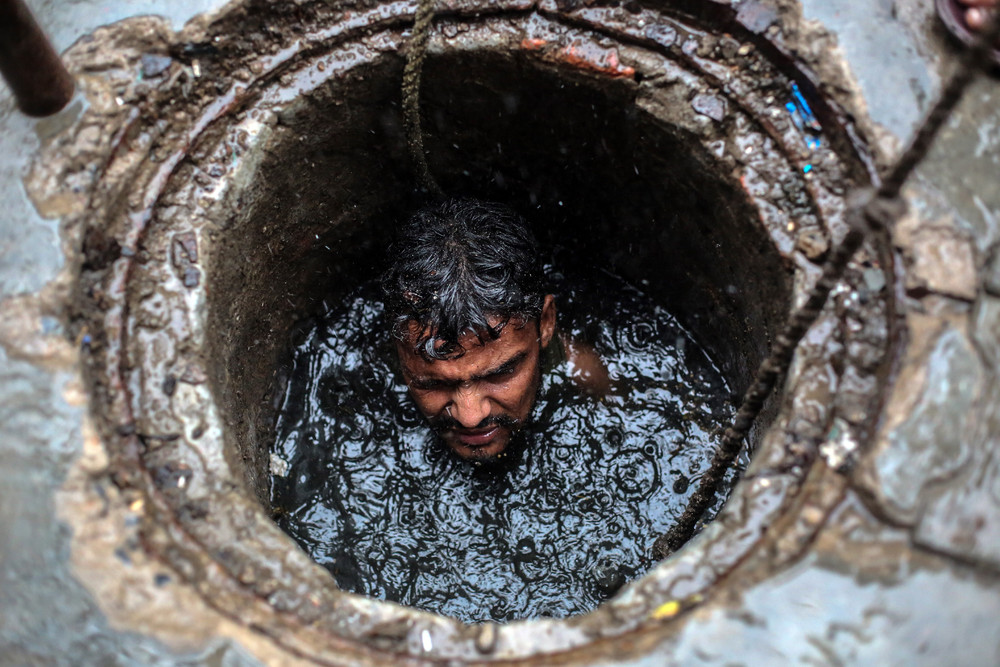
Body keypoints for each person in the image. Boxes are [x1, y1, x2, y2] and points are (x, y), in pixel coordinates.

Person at [382, 198, 610, 464]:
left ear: (546, 324)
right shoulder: (378, 361)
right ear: (397, 347)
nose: (471, 417)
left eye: (501, 373)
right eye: (433, 383)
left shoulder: (583, 373)